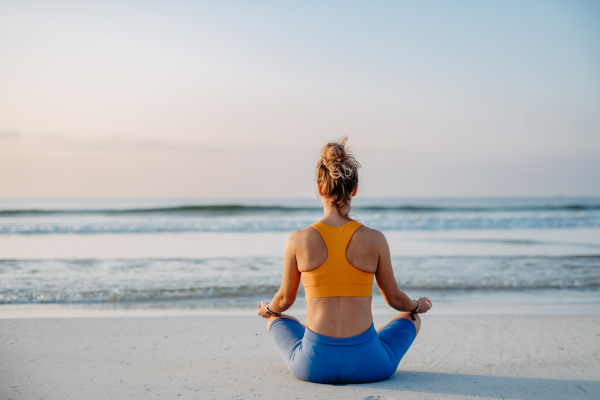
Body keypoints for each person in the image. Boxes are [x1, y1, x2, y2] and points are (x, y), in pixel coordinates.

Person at [257, 136, 432, 384]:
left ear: (319, 188)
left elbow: (284, 300)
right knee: (410, 319)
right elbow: (395, 300)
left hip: (312, 367)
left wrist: (267, 310)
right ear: (354, 189)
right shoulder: (375, 239)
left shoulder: (298, 239)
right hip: (371, 367)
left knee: (278, 319)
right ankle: (367, 344)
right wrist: (417, 306)